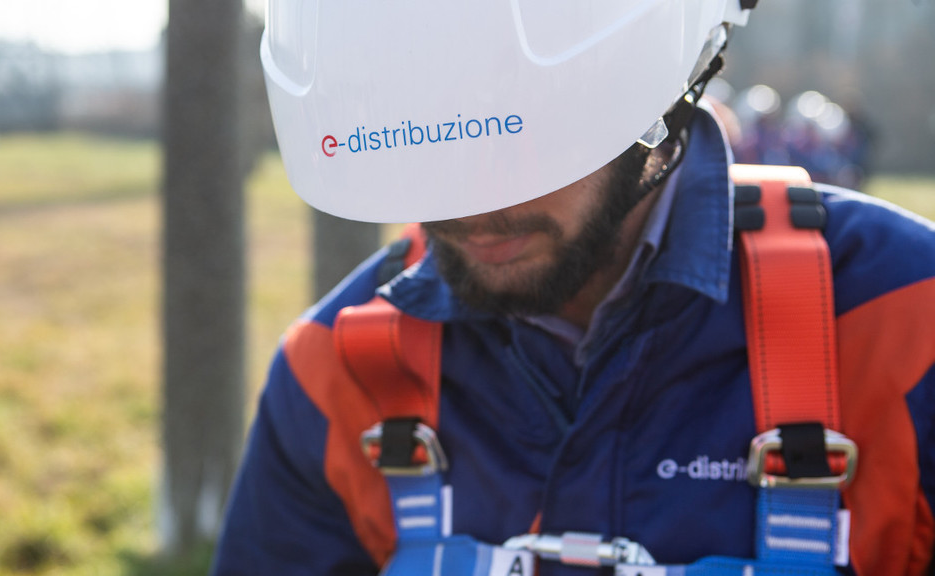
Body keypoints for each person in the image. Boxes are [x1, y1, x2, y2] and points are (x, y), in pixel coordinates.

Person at [213, 2, 935, 574]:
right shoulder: (336, 373)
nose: (470, 202)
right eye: (419, 136)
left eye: (524, 126)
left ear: (669, 86)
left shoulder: (905, 321)